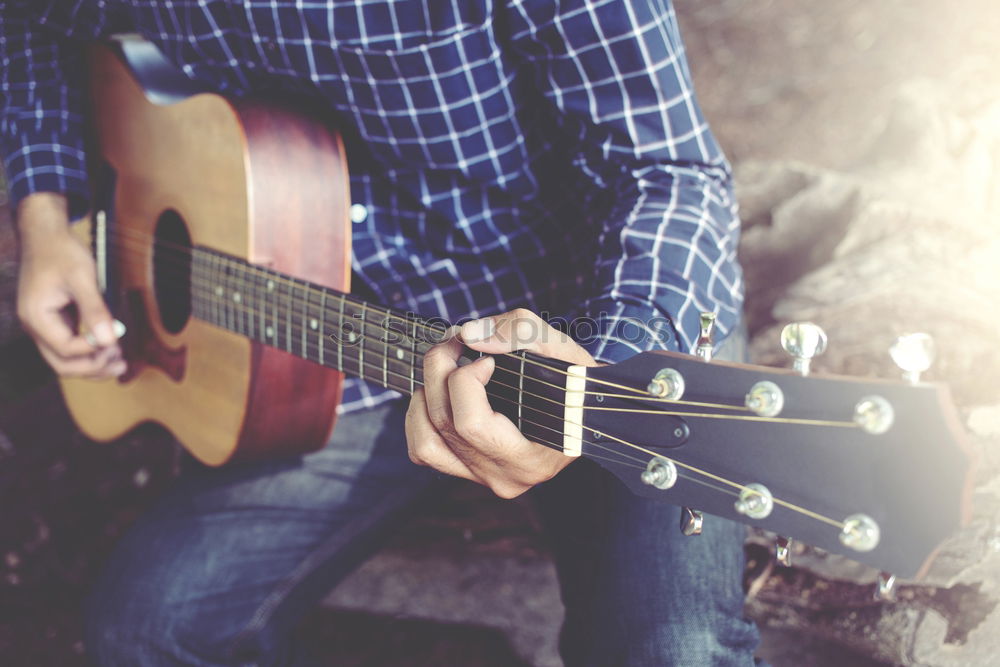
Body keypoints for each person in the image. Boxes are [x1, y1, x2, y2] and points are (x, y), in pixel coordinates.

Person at [2, 1, 760, 664]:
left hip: (587, 329)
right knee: (148, 630)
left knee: (675, 652)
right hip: (336, 341)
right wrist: (43, 215)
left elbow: (670, 172)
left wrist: (605, 365)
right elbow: (31, 19)